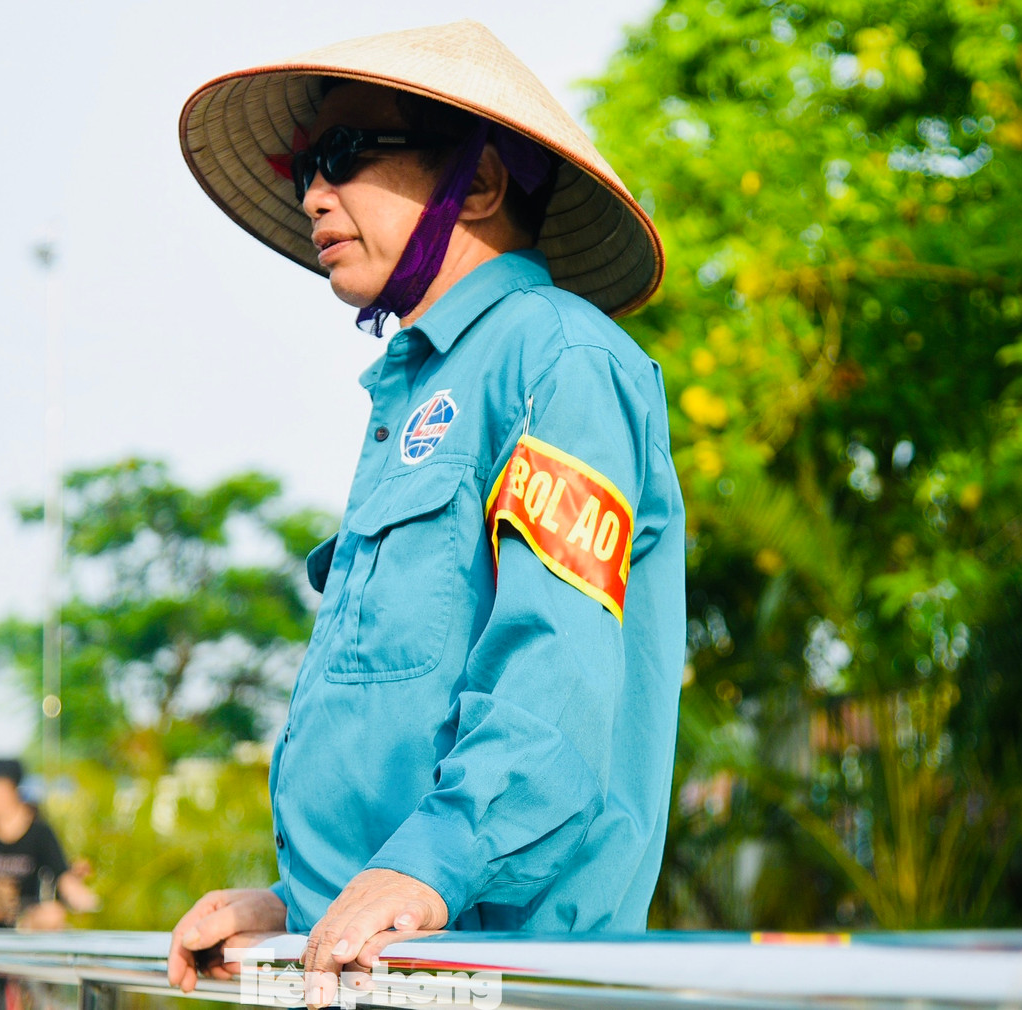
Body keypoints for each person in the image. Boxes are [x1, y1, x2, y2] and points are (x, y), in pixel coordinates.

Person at [170, 19, 686, 1006]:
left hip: (506, 976)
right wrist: (296, 901)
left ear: (482, 183)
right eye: (304, 166)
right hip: (381, 967)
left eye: (345, 154)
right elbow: (392, 727)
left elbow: (556, 670)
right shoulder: (410, 396)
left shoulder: (560, 358)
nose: (313, 192)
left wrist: (431, 863)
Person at [0, 758, 99, 929]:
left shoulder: (39, 832)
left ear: (4, 788)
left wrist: (89, 903)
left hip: (25, 924)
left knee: (52, 914)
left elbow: (64, 877)